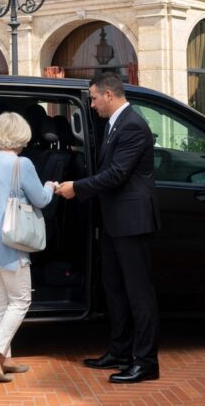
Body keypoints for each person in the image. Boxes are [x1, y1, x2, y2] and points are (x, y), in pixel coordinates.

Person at [55, 72, 161, 384]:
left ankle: (146, 362)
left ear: (110, 95)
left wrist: (77, 187)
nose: (91, 104)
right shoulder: (115, 124)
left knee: (139, 295)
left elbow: (115, 174)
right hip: (115, 223)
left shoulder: (132, 125)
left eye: (94, 98)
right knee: (114, 290)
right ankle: (119, 351)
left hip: (132, 223)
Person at [0, 112, 55, 382]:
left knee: (1, 302)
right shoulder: (22, 163)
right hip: (7, 240)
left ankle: (5, 358)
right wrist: (51, 185)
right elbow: (40, 199)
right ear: (21, 135)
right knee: (20, 300)